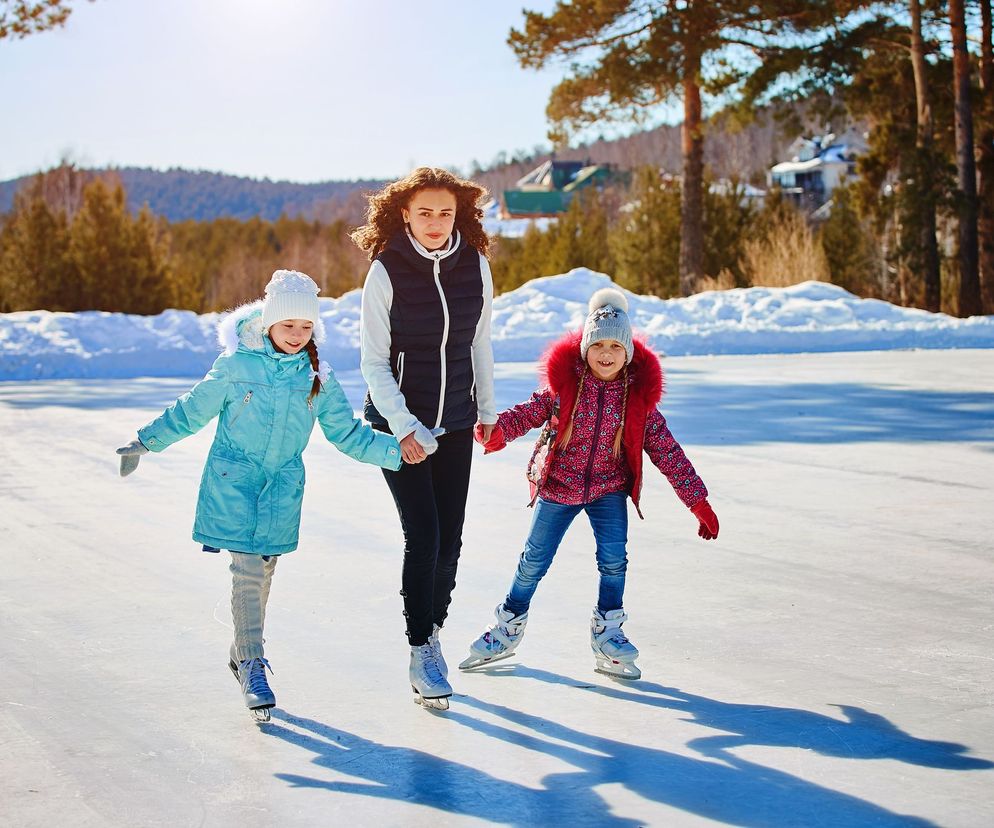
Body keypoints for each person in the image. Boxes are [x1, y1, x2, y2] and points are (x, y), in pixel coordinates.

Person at [115, 270, 403, 720]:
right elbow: (192, 409)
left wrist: (398, 451)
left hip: (282, 488)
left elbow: (345, 433)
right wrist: (146, 441)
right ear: (268, 322)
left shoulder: (317, 377)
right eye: (288, 325)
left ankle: (240, 647)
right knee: (247, 570)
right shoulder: (236, 366)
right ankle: (252, 663)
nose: (296, 334)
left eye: (306, 327)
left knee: (263, 569)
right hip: (234, 482)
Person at [460, 287, 719, 680]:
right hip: (558, 487)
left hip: (607, 490)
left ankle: (608, 633)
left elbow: (668, 452)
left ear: (628, 351)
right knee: (533, 562)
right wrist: (497, 433)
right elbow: (526, 414)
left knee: (614, 560)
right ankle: (508, 626)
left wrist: (697, 502)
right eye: (599, 344)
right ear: (585, 347)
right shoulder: (564, 388)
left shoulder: (637, 400)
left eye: (616, 345)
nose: (607, 353)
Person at [352, 167, 497, 710]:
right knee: (426, 535)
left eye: (445, 213)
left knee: (452, 539)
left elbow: (478, 344)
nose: (436, 223)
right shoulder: (386, 270)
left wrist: (486, 410)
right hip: (398, 427)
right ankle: (420, 647)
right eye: (425, 212)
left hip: (457, 420)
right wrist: (404, 425)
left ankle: (432, 628)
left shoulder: (475, 266)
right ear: (404, 215)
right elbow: (372, 361)